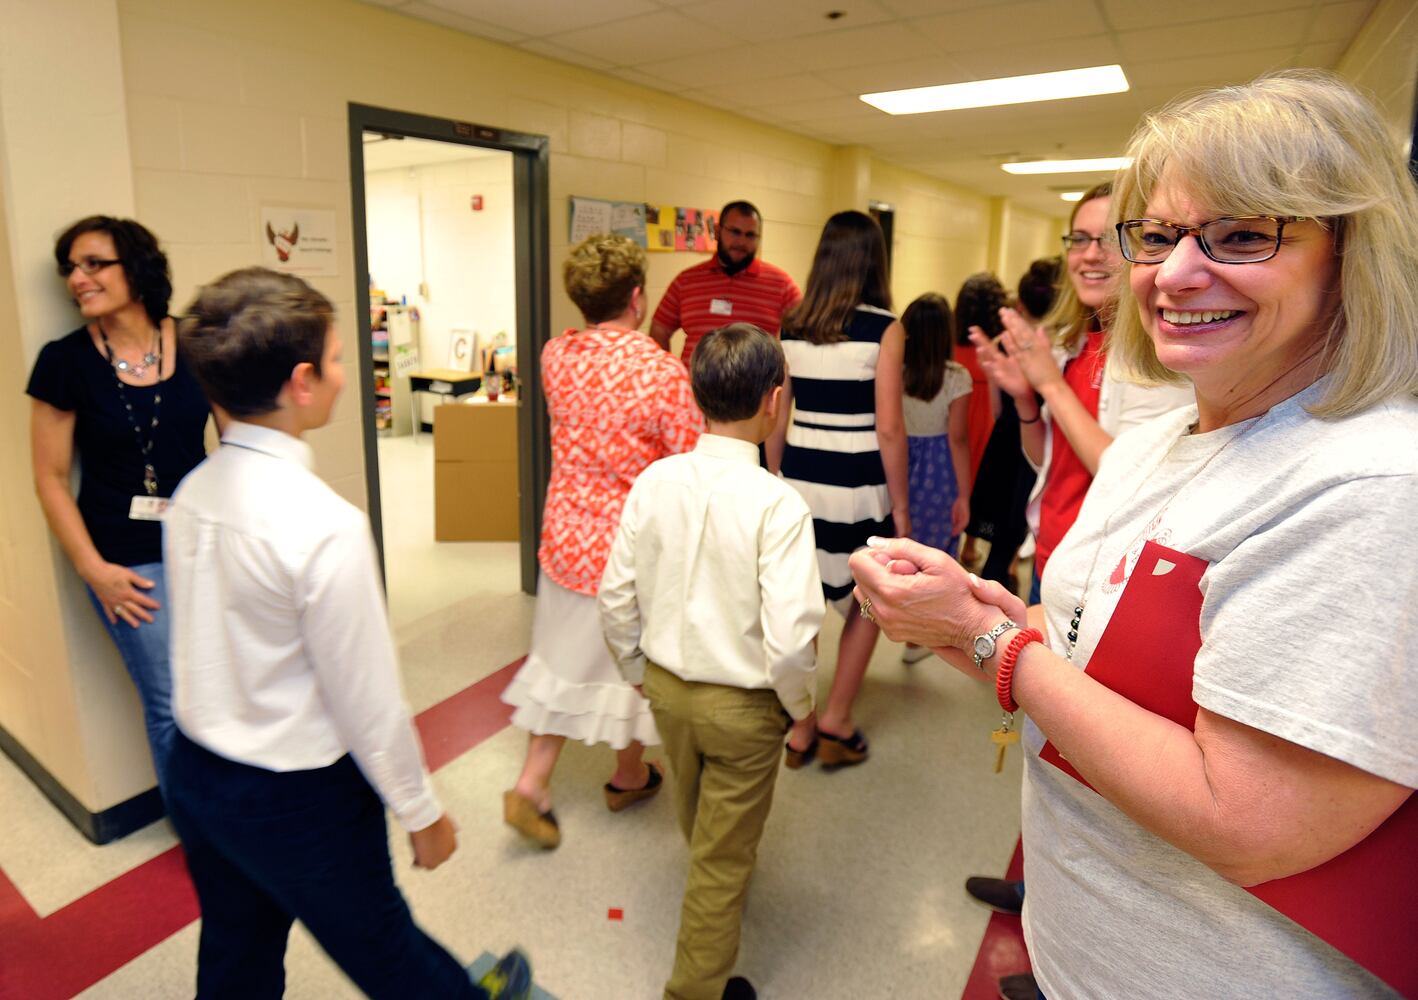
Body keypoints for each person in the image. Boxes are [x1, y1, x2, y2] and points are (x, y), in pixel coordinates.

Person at [853, 71, 1418, 1000]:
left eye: (1242, 234)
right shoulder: (1162, 441)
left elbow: (1241, 819)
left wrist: (987, 638)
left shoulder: (1369, 483)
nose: (1176, 273)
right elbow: (1083, 645)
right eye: (1157, 237)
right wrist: (970, 616)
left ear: (1352, 251)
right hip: (1085, 947)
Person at [165, 267, 530, 999]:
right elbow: (366, 701)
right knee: (386, 950)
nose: (344, 375)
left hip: (198, 776)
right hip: (298, 798)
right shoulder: (322, 525)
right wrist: (421, 812)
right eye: (338, 358)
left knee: (236, 949)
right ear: (302, 381)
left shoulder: (193, 492)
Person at [600, 323, 822, 1000]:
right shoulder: (779, 504)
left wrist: (638, 672)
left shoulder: (654, 481)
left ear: (695, 393)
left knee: (700, 819)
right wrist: (799, 708)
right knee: (723, 859)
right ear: (774, 401)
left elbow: (615, 597)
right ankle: (693, 988)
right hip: (744, 705)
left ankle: (711, 909)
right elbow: (790, 638)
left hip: (666, 689)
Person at [501, 233, 702, 848]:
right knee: (633, 667)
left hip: (565, 536)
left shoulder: (553, 356)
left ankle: (562, 778)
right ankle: (617, 773)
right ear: (637, 297)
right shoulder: (662, 372)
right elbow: (690, 456)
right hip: (627, 548)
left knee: (562, 658)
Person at [26, 216, 210, 795]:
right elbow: (50, 477)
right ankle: (201, 832)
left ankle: (237, 812)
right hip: (127, 562)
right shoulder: (65, 361)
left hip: (206, 545)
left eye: (93, 264)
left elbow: (237, 448)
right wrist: (94, 570)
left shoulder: (200, 343)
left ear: (137, 267)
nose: (77, 280)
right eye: (70, 269)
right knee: (172, 701)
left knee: (222, 684)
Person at [969, 183, 1193, 603]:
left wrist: (1050, 387)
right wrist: (1025, 399)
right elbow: (1048, 462)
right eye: (1080, 239)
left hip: (1104, 573)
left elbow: (1133, 479)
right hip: (1053, 554)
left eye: (1109, 239)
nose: (1091, 254)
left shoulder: (1159, 357)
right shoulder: (1074, 343)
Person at [766, 210, 908, 768]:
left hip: (799, 477)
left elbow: (778, 414)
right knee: (866, 602)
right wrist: (901, 507)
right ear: (875, 260)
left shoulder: (792, 323)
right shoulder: (885, 328)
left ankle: (799, 728)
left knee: (800, 605)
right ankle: (836, 719)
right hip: (857, 482)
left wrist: (776, 479)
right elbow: (890, 427)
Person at [965, 263, 1057, 598]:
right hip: (1039, 448)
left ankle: (989, 590)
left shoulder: (1004, 344)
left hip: (1005, 440)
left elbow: (996, 407)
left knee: (999, 529)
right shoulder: (1056, 350)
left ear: (1021, 305)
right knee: (1020, 530)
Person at [899, 293, 973, 664]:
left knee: (903, 549)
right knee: (937, 554)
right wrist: (964, 495)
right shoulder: (956, 377)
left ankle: (902, 626)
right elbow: (958, 438)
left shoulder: (893, 370)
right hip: (938, 469)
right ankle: (923, 637)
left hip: (898, 463)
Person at [651, 201, 801, 363]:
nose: (742, 242)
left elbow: (806, 332)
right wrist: (667, 373)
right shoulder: (686, 281)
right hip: (693, 387)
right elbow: (659, 330)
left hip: (757, 387)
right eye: (735, 232)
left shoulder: (781, 284)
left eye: (750, 235)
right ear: (717, 231)